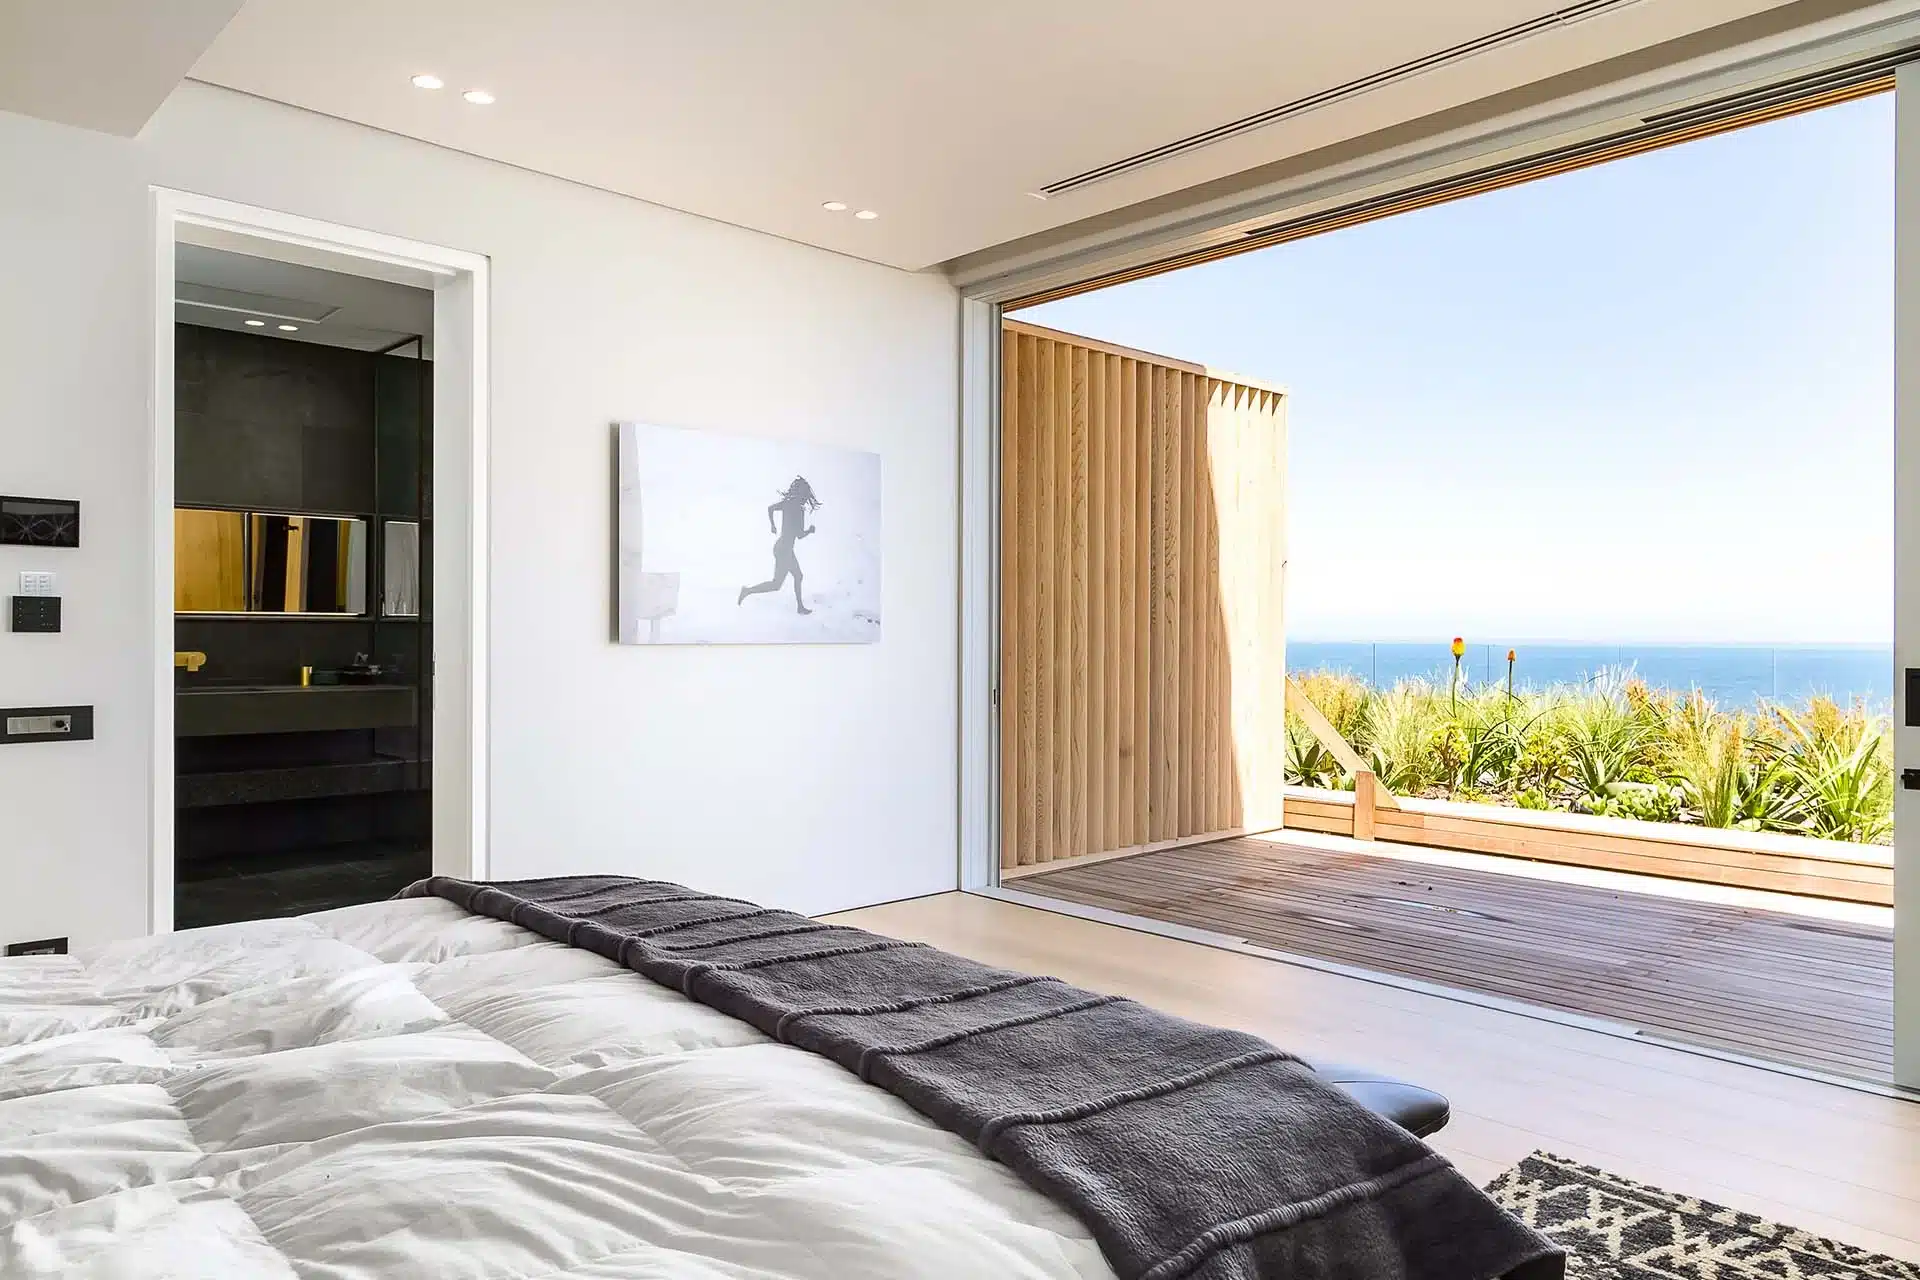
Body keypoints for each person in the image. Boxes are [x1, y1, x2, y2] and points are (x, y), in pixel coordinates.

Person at [738, 476, 820, 614]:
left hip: (782, 547)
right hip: (785, 550)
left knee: (796, 576)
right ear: (803, 495)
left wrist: (773, 525)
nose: (806, 499)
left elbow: (770, 508)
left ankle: (799, 607)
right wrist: (810, 531)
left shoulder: (787, 503)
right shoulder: (799, 510)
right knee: (777, 584)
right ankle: (747, 591)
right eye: (806, 495)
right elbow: (799, 535)